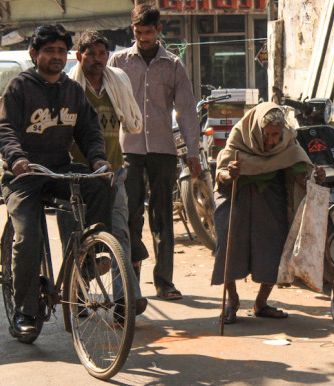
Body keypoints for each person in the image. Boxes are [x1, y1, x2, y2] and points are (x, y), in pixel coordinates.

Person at [0, 24, 112, 335]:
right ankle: (25, 313)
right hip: (23, 176)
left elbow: (89, 131)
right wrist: (17, 158)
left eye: (61, 51)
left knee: (99, 183)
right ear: (35, 54)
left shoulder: (72, 91)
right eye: (49, 50)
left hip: (59, 168)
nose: (56, 56)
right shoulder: (19, 87)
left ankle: (90, 257)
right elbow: (5, 130)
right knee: (28, 239)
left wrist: (98, 159)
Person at [109, 4, 201, 301]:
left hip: (163, 149)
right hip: (128, 150)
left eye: (148, 32)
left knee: (162, 216)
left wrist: (193, 152)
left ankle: (164, 281)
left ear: (158, 30)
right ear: (132, 30)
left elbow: (186, 110)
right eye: (138, 32)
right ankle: (131, 281)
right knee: (130, 215)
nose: (144, 38)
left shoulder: (173, 65)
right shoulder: (119, 61)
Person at [56, 30, 147, 318]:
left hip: (113, 172)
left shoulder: (117, 81)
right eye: (91, 54)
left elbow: (131, 121)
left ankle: (124, 300)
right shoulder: (69, 86)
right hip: (74, 176)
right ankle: (78, 296)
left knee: (119, 235)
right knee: (74, 237)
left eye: (102, 53)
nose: (98, 59)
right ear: (79, 56)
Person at [211, 102, 325, 324]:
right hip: (238, 193)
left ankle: (261, 303)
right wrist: (230, 174)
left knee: (275, 247)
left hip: (270, 195)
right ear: (256, 131)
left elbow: (298, 172)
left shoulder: (286, 142)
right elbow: (221, 175)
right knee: (228, 244)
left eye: (276, 134)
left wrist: (312, 179)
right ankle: (231, 301)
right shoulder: (239, 137)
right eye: (267, 135)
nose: (272, 141)